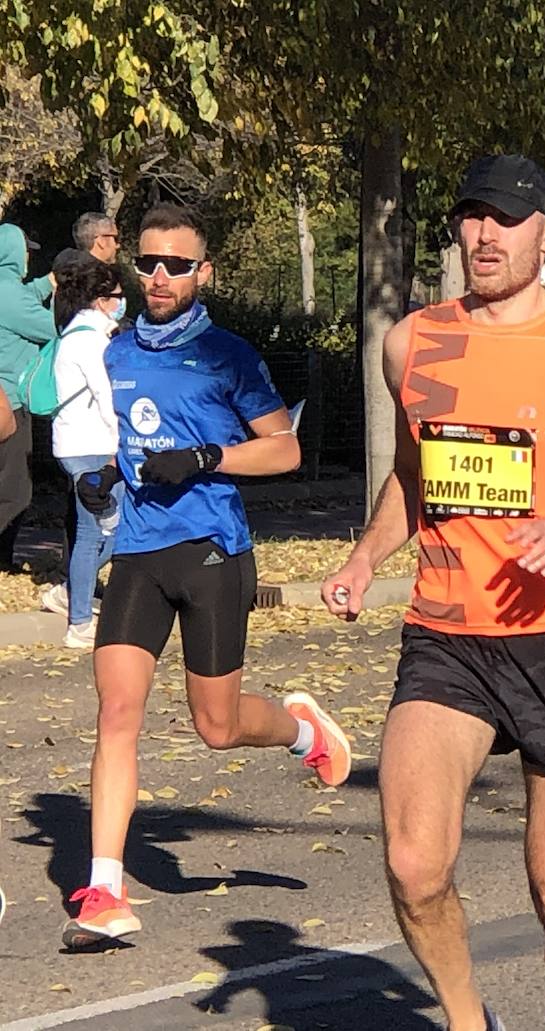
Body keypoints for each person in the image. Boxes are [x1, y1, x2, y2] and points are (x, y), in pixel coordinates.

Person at [322, 154, 545, 1031]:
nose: (483, 234)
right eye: (471, 216)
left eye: (505, 218)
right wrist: (365, 559)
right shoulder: (414, 341)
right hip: (448, 637)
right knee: (413, 863)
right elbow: (411, 478)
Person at [61, 203, 352, 949]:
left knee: (216, 726)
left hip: (213, 550)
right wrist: (100, 481)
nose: (159, 276)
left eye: (177, 265)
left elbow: (282, 450)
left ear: (204, 272)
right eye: (149, 262)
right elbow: (116, 441)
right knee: (116, 710)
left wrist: (206, 458)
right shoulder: (117, 350)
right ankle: (104, 888)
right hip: (140, 552)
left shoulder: (228, 355)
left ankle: (300, 729)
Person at [46, 257, 126, 648]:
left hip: (81, 445)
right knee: (100, 532)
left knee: (106, 530)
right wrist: (126, 439)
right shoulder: (91, 340)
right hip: (93, 447)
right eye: (116, 297)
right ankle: (78, 620)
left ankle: (72, 594)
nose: (121, 302)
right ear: (99, 300)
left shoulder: (75, 334)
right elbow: (106, 394)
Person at [0, 224, 55, 571]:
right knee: (16, 489)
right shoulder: (10, 295)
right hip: (12, 403)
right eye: (26, 250)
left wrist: (49, 282)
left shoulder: (9, 289)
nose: (30, 256)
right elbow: (52, 327)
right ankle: (2, 559)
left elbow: (26, 296)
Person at [52, 212, 120, 273]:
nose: (118, 245)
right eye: (116, 239)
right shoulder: (100, 280)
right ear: (101, 241)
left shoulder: (62, 275)